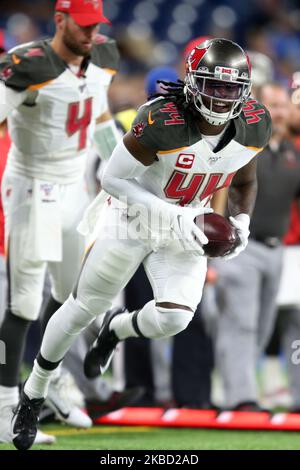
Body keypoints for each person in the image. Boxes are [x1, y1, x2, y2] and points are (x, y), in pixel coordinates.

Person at [12, 38, 271, 451]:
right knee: (82, 308)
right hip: (134, 218)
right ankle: (33, 393)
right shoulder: (162, 119)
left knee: (176, 319)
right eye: (213, 86)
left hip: (188, 222)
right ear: (191, 83)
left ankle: (117, 331)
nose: (222, 99)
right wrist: (175, 215)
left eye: (231, 89)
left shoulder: (256, 121)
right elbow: (113, 180)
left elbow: (244, 179)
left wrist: (240, 222)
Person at [0, 0, 121, 444]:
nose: (90, 35)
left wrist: (121, 168)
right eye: (83, 25)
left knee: (73, 297)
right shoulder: (29, 64)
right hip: (32, 186)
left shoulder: (105, 55)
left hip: (76, 188)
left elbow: (102, 116)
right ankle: (4, 403)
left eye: (96, 26)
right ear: (60, 20)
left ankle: (45, 386)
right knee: (24, 304)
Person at [213, 82, 300, 411]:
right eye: (272, 105)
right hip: (240, 249)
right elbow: (215, 191)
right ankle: (242, 397)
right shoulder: (242, 147)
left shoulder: (290, 152)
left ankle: (240, 387)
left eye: (282, 106)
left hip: (277, 252)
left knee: (262, 327)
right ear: (256, 108)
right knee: (242, 323)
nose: (278, 112)